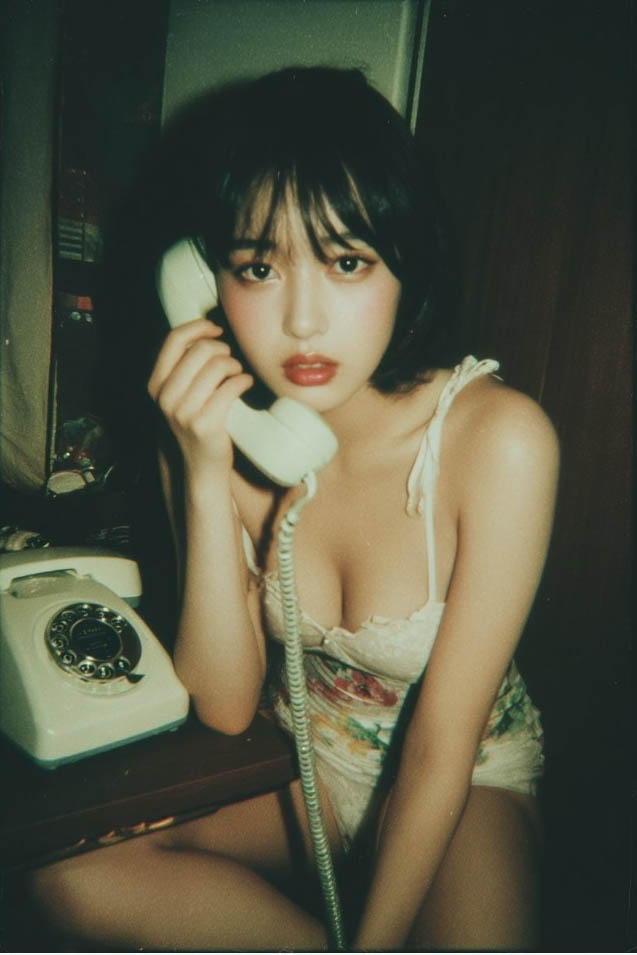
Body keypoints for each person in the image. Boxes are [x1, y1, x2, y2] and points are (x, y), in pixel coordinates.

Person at [30, 66, 559, 951]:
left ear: (405, 262)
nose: (303, 321)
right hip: (295, 768)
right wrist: (205, 470)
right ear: (204, 279)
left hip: (461, 783)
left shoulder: (498, 440)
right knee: (69, 879)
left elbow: (440, 744)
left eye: (346, 261)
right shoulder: (209, 429)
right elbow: (225, 707)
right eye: (259, 267)